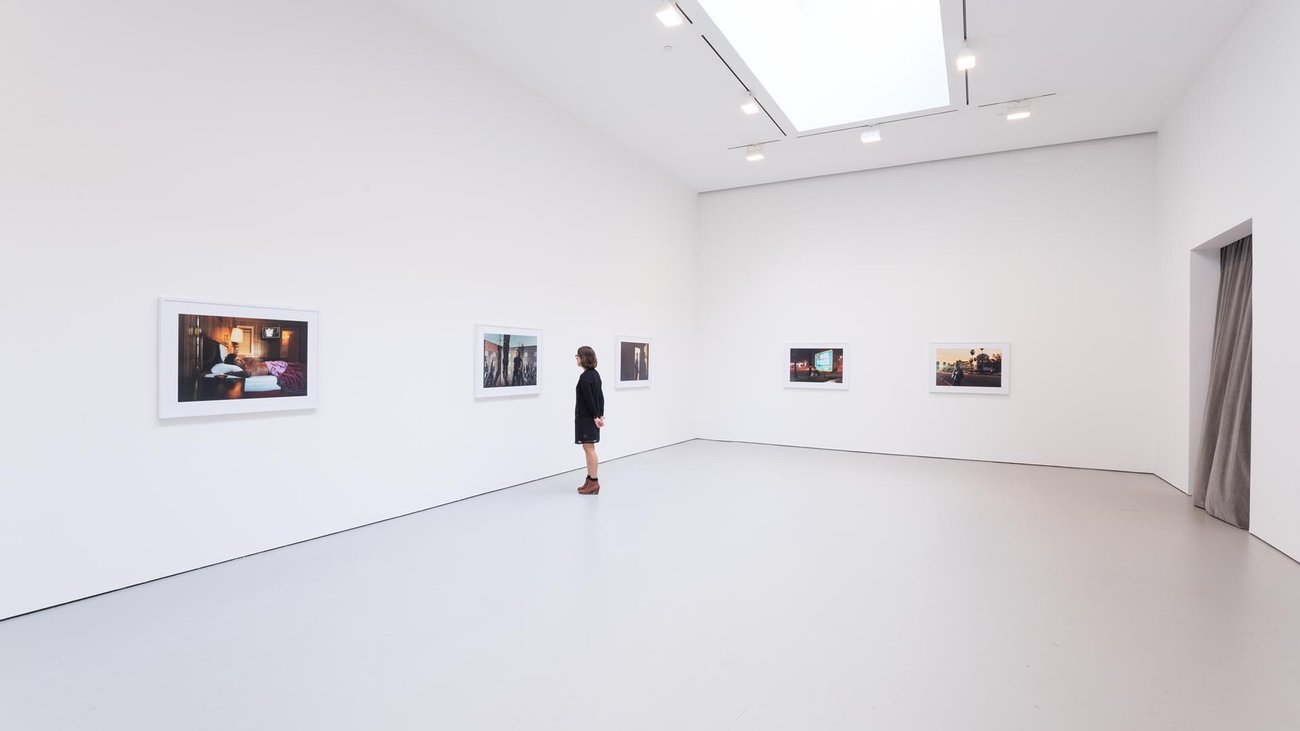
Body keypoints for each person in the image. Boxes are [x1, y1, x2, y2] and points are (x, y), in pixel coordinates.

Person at [574, 345, 605, 495]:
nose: (576, 358)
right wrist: (600, 414)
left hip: (587, 418)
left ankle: (593, 482)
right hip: (591, 418)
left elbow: (589, 399)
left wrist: (595, 416)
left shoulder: (585, 377)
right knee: (589, 449)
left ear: (584, 358)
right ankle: (590, 479)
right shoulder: (595, 374)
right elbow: (600, 397)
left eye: (578, 356)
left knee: (589, 449)